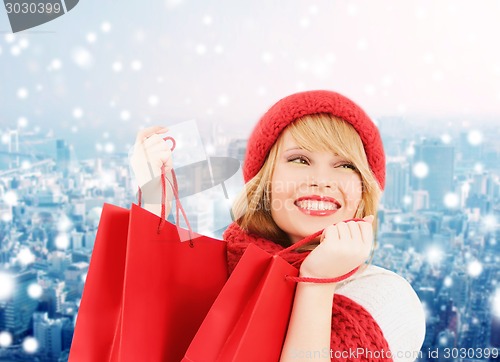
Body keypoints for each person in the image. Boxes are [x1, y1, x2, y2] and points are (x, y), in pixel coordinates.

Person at [130, 90, 426, 361]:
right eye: (299, 159)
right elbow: (141, 337)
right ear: (265, 181)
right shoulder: (218, 271)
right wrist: (153, 202)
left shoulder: (386, 296)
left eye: (345, 165)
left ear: (364, 191)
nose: (322, 180)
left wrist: (316, 280)